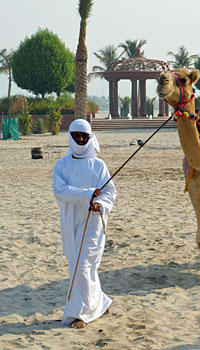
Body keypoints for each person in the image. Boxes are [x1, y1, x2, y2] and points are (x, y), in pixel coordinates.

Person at [53, 119, 117, 328]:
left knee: (85, 265)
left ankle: (80, 314)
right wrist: (87, 193)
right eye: (76, 135)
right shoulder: (61, 165)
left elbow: (110, 192)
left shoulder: (99, 165)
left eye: (84, 136)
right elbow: (60, 190)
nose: (80, 139)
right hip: (70, 220)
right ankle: (100, 302)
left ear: (90, 138)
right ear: (70, 136)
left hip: (93, 221)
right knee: (78, 266)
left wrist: (99, 204)